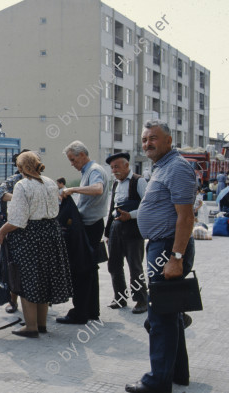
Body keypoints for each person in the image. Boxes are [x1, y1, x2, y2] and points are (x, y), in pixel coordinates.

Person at [125, 120, 197, 393]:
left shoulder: (177, 168)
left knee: (161, 318)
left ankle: (157, 382)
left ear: (169, 140)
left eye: (153, 138)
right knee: (171, 314)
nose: (147, 144)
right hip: (162, 246)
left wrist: (176, 257)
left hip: (168, 248)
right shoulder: (162, 167)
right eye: (144, 139)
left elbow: (186, 216)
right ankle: (178, 374)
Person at [0, 151, 73, 337]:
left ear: (21, 168)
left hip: (29, 236)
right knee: (43, 279)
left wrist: (1, 231)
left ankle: (30, 327)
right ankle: (41, 324)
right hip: (51, 233)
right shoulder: (50, 182)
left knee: (27, 280)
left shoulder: (22, 185)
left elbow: (18, 220)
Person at [58, 140, 109, 324]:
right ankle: (91, 311)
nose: (72, 164)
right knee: (89, 270)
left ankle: (80, 313)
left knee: (81, 270)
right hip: (92, 224)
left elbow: (98, 189)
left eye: (73, 159)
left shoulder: (94, 170)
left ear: (82, 155)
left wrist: (72, 189)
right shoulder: (90, 170)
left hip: (90, 226)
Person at [104, 152, 148, 314]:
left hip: (133, 229)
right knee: (114, 265)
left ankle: (142, 300)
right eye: (112, 168)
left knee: (135, 266)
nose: (114, 170)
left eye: (117, 167)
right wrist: (108, 232)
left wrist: (131, 215)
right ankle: (120, 298)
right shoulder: (116, 184)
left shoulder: (139, 181)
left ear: (126, 165)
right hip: (117, 228)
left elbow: (148, 206)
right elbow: (111, 209)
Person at [0, 148, 29, 313]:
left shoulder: (40, 179)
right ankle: (13, 302)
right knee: (12, 266)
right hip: (14, 228)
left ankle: (35, 304)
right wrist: (17, 198)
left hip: (33, 229)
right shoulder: (15, 179)